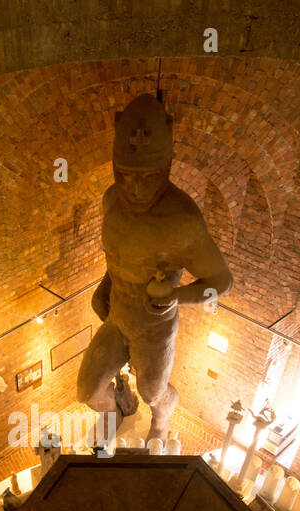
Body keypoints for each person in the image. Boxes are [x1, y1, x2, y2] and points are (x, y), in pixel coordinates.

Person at [76, 93, 233, 446]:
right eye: (125, 174)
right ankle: (112, 414)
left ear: (166, 169)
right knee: (87, 390)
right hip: (118, 314)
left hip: (154, 326)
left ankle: (162, 418)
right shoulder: (112, 200)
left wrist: (175, 296)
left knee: (151, 392)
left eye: (147, 177)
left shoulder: (182, 221)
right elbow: (116, 256)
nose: (133, 187)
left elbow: (221, 281)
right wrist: (105, 287)